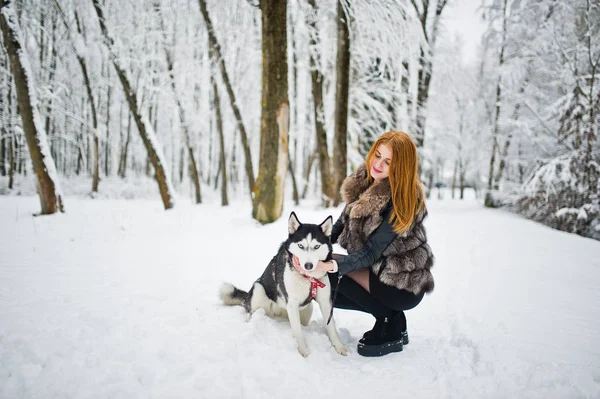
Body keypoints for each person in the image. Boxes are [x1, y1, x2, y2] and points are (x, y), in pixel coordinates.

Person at [316, 131, 435, 357]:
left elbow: (371, 253)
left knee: (328, 275)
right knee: (317, 274)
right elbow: (337, 228)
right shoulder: (364, 183)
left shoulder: (402, 200)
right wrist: (308, 243)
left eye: (388, 162)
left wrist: (330, 265)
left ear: (400, 168)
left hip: (401, 283)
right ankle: (394, 319)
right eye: (377, 155)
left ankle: (388, 318)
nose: (378, 164)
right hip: (378, 272)